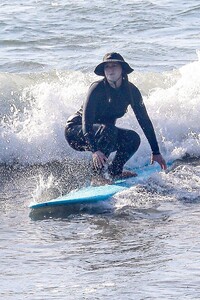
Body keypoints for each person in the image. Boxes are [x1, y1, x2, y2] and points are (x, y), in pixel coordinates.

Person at [65, 52, 167, 183]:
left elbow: (144, 121)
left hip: (104, 133)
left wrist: (156, 152)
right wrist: (95, 150)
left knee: (133, 138)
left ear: (122, 70)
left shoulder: (131, 92)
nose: (110, 69)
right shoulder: (96, 88)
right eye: (107, 66)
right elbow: (86, 121)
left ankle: (115, 172)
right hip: (76, 131)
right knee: (109, 130)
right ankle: (97, 176)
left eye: (114, 65)